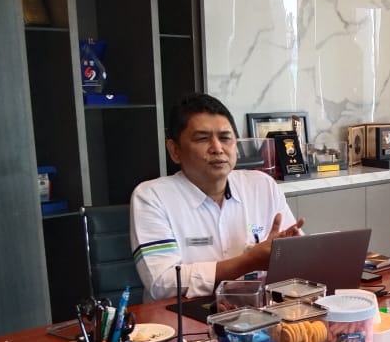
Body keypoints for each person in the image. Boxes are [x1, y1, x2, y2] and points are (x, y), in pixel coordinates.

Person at [130, 93, 304, 300]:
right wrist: (249, 261)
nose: (217, 148)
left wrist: (287, 252)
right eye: (202, 138)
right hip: (186, 313)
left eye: (225, 138)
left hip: (259, 308)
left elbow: (298, 258)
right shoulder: (151, 197)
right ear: (175, 150)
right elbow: (163, 282)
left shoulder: (262, 185)